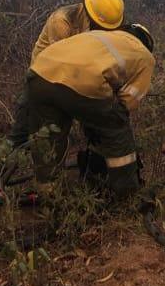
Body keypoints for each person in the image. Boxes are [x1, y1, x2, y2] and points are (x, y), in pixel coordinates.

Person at [23, 23, 155, 199]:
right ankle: (126, 192)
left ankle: (48, 192)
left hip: (39, 74)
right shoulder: (144, 55)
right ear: (146, 43)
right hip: (80, 81)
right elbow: (129, 100)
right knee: (117, 128)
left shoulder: (98, 35)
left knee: (48, 137)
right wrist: (104, 120)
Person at [8, 0, 125, 147]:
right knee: (25, 125)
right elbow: (63, 65)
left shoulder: (99, 22)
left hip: (75, 75)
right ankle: (4, 163)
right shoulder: (62, 21)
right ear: (91, 15)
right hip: (44, 76)